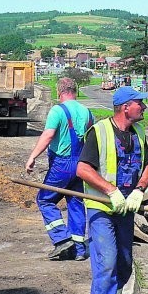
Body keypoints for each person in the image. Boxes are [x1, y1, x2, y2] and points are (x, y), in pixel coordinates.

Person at [77, 86, 148, 294]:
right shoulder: (99, 133)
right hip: (101, 208)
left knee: (124, 262)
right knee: (107, 261)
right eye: (139, 103)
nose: (143, 107)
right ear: (125, 107)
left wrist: (138, 191)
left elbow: (147, 167)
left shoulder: (139, 133)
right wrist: (111, 191)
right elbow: (83, 169)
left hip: (125, 209)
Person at [25, 77, 94, 261]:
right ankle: (79, 250)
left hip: (62, 165)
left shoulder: (57, 111)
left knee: (45, 200)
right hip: (81, 165)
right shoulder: (88, 113)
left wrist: (32, 157)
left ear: (59, 91)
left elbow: (48, 135)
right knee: (75, 203)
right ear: (76, 91)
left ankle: (62, 239)